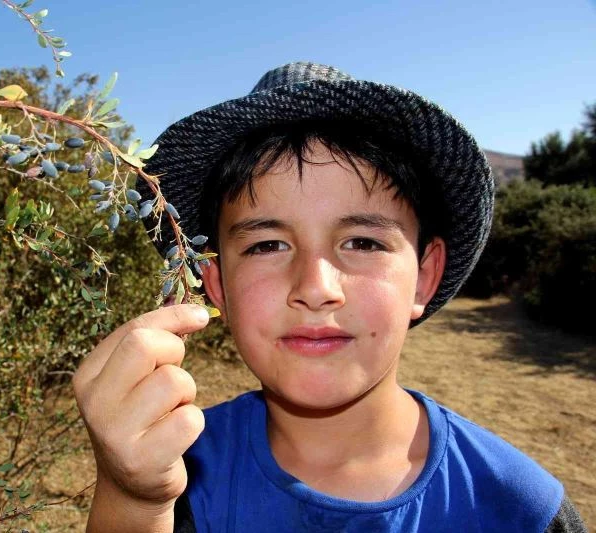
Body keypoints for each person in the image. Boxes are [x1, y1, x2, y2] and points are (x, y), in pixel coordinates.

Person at [72, 62, 587, 532]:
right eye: (267, 244)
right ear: (217, 286)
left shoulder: (522, 510)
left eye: (363, 242)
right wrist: (130, 498)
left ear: (425, 277)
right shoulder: (170, 480)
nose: (316, 287)